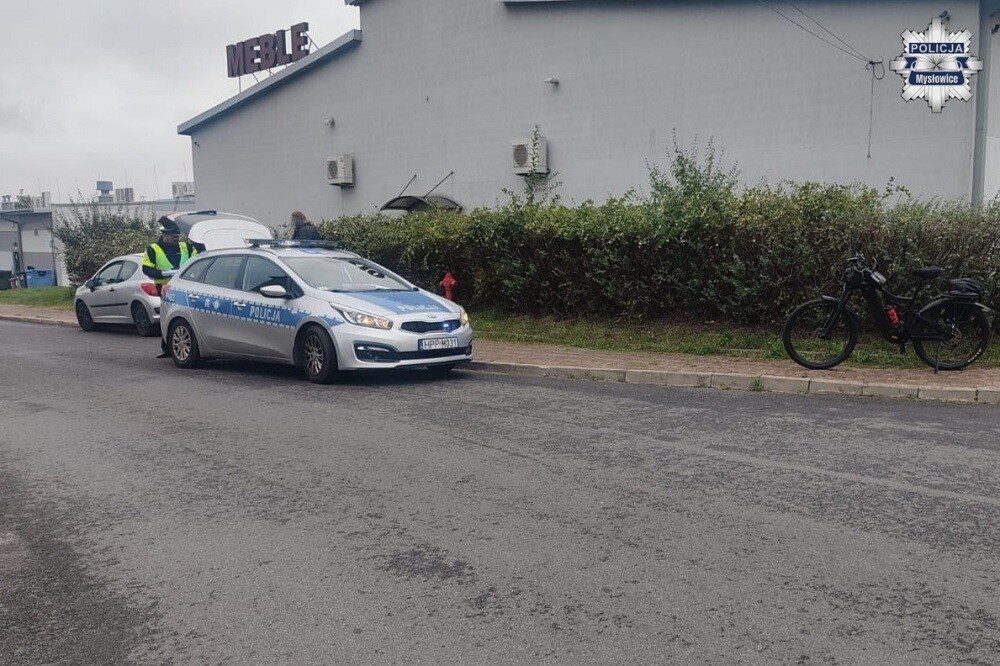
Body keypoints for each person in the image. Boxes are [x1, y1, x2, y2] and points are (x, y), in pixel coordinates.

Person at [143, 217, 201, 357]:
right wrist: (162, 273)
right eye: (174, 237)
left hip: (185, 286)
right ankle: (167, 348)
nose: (177, 239)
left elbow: (198, 260)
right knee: (167, 317)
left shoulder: (187, 247)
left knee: (186, 316)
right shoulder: (153, 249)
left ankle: (187, 345)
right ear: (165, 235)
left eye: (178, 236)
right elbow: (146, 269)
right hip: (165, 288)